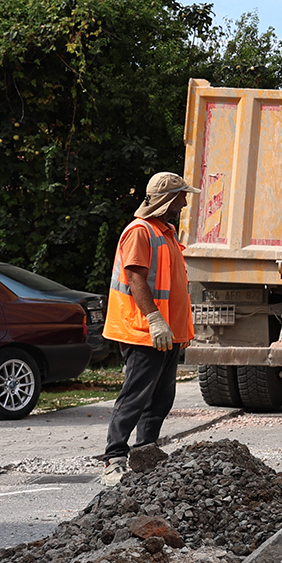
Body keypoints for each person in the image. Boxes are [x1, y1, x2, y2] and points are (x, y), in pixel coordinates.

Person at [101, 171, 200, 480]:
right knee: (135, 396)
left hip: (166, 335)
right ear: (168, 199)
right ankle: (114, 457)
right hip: (144, 331)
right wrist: (155, 319)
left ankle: (145, 452)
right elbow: (135, 278)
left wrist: (176, 329)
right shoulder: (140, 231)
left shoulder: (165, 232)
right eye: (182, 196)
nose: (184, 202)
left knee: (161, 398)